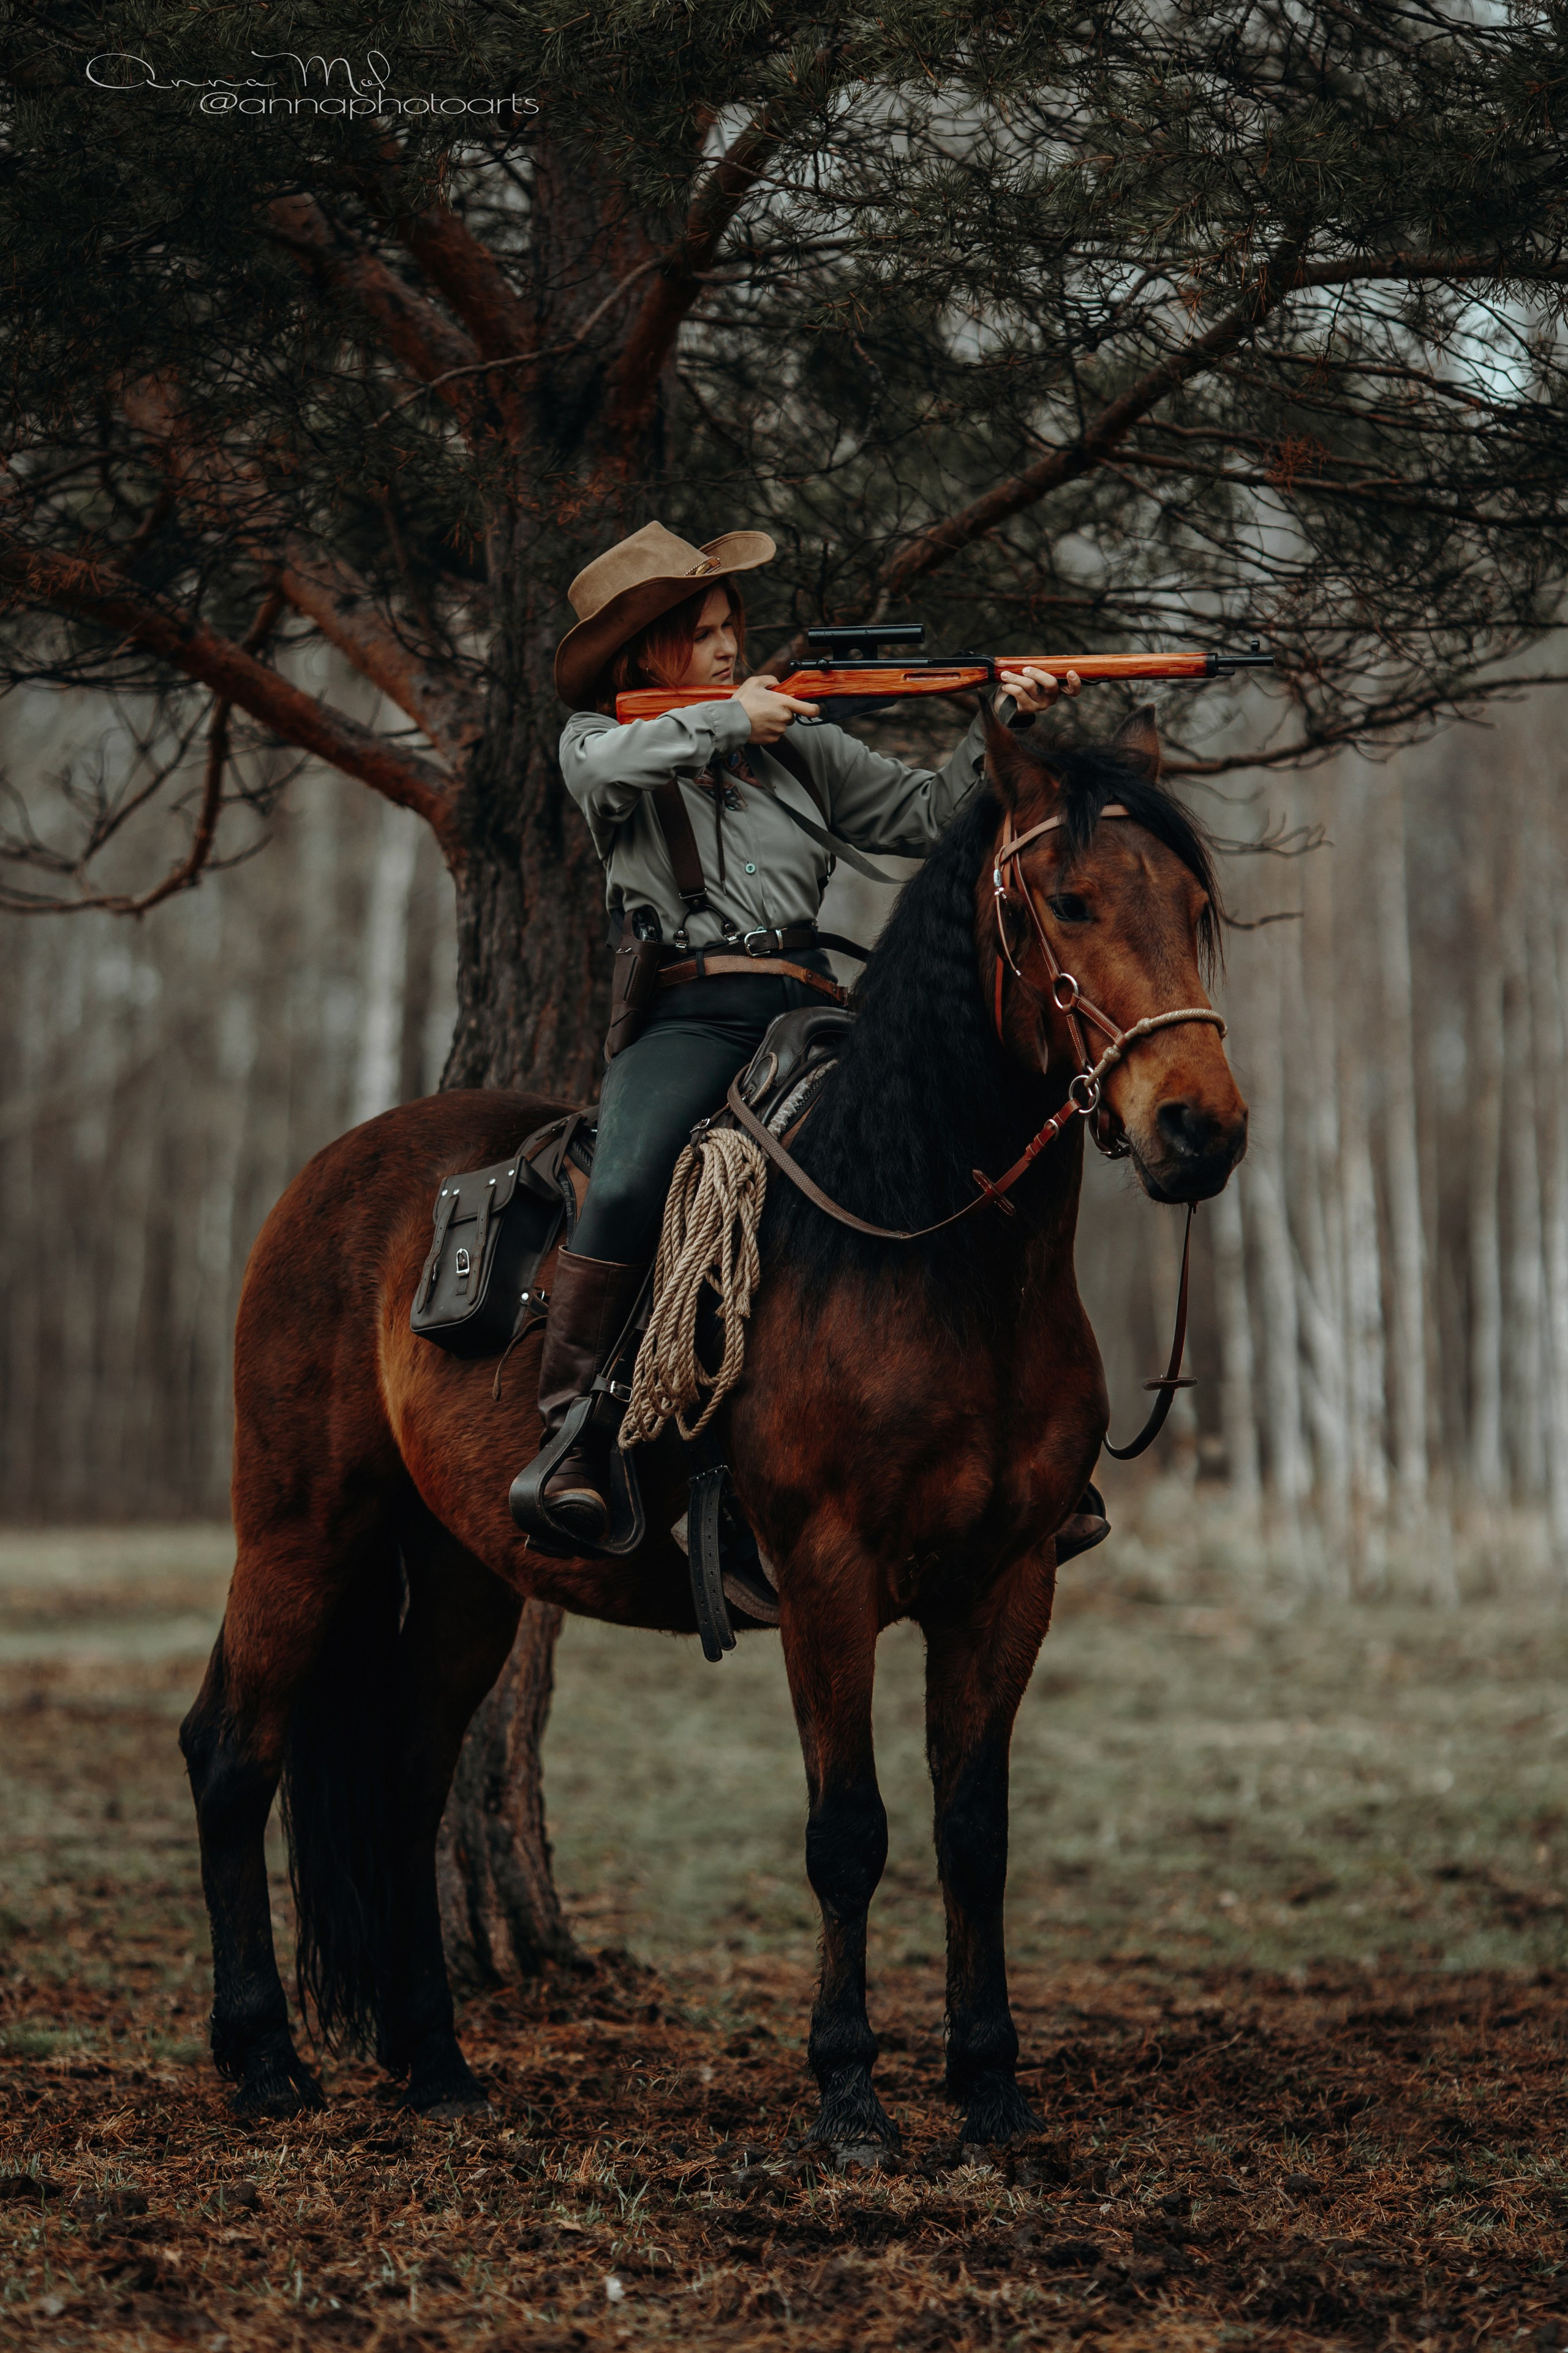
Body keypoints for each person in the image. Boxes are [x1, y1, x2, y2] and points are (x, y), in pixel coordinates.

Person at [514, 519, 1107, 1559]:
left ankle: (1034, 1446)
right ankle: (578, 1430)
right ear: (645, 656)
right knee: (623, 1181)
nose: (727, 646)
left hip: (813, 1008)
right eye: (700, 634)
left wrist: (1000, 719)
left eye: (729, 626)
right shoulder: (605, 743)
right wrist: (726, 720)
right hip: (692, 1014)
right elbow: (607, 774)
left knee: (959, 1141)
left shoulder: (798, 745)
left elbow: (927, 814)